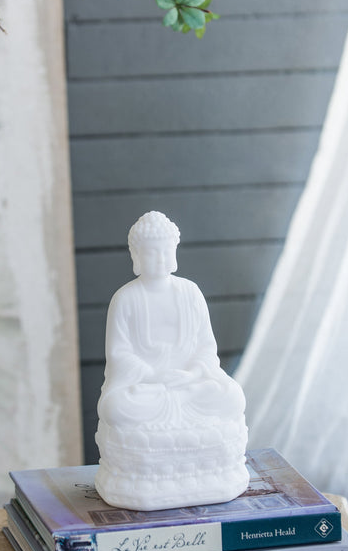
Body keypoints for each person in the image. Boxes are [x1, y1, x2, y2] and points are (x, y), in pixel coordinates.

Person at [95, 211, 249, 510]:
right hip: (147, 390)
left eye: (165, 251)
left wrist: (192, 375)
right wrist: (152, 375)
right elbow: (119, 355)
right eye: (150, 253)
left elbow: (206, 348)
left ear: (174, 252)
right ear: (136, 256)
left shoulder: (190, 293)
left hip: (189, 387)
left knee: (232, 397)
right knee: (116, 408)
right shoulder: (125, 298)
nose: (159, 259)